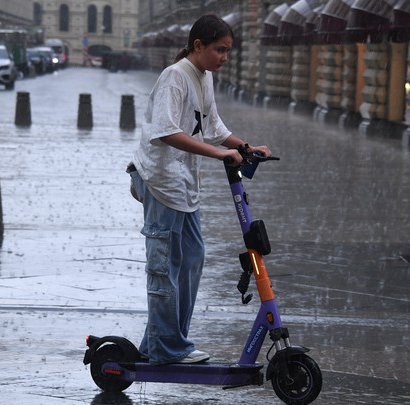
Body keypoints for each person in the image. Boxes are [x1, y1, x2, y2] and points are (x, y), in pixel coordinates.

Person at [127, 14, 271, 365]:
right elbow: (166, 131)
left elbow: (213, 126)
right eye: (220, 50)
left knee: (191, 261)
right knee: (164, 268)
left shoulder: (203, 77)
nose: (224, 57)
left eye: (227, 51)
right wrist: (221, 152)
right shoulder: (175, 77)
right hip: (161, 182)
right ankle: (168, 348)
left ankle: (157, 343)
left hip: (185, 187)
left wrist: (245, 146)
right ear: (198, 46)